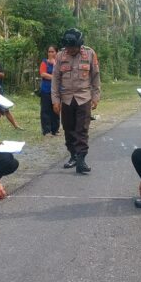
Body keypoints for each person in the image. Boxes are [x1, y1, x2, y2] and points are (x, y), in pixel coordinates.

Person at [51, 28, 101, 174]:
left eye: (73, 47)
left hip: (84, 97)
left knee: (82, 129)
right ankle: (73, 155)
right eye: (68, 47)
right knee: (68, 128)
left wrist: (96, 96)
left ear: (79, 45)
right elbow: (55, 79)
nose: (70, 50)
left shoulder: (90, 53)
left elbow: (95, 76)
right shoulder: (60, 56)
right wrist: (55, 100)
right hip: (66, 99)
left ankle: (81, 160)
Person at [38, 45, 59, 136]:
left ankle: (55, 130)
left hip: (56, 90)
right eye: (49, 51)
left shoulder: (59, 63)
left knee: (56, 109)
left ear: (56, 53)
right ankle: (46, 130)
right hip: (46, 90)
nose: (50, 53)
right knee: (45, 110)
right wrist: (54, 78)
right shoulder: (44, 62)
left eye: (52, 51)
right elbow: (43, 74)